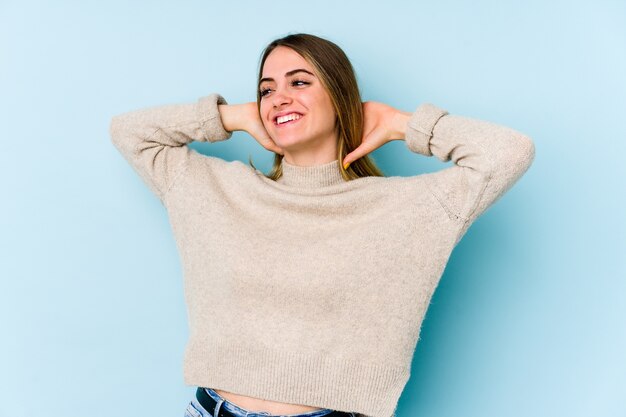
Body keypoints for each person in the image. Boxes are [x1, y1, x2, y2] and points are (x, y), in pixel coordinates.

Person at [109, 33, 535, 417]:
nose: (278, 98)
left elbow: (510, 152)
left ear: (340, 96)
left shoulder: (407, 209)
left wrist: (401, 124)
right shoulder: (214, 189)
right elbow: (128, 132)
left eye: (299, 82)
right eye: (266, 89)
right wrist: (231, 116)